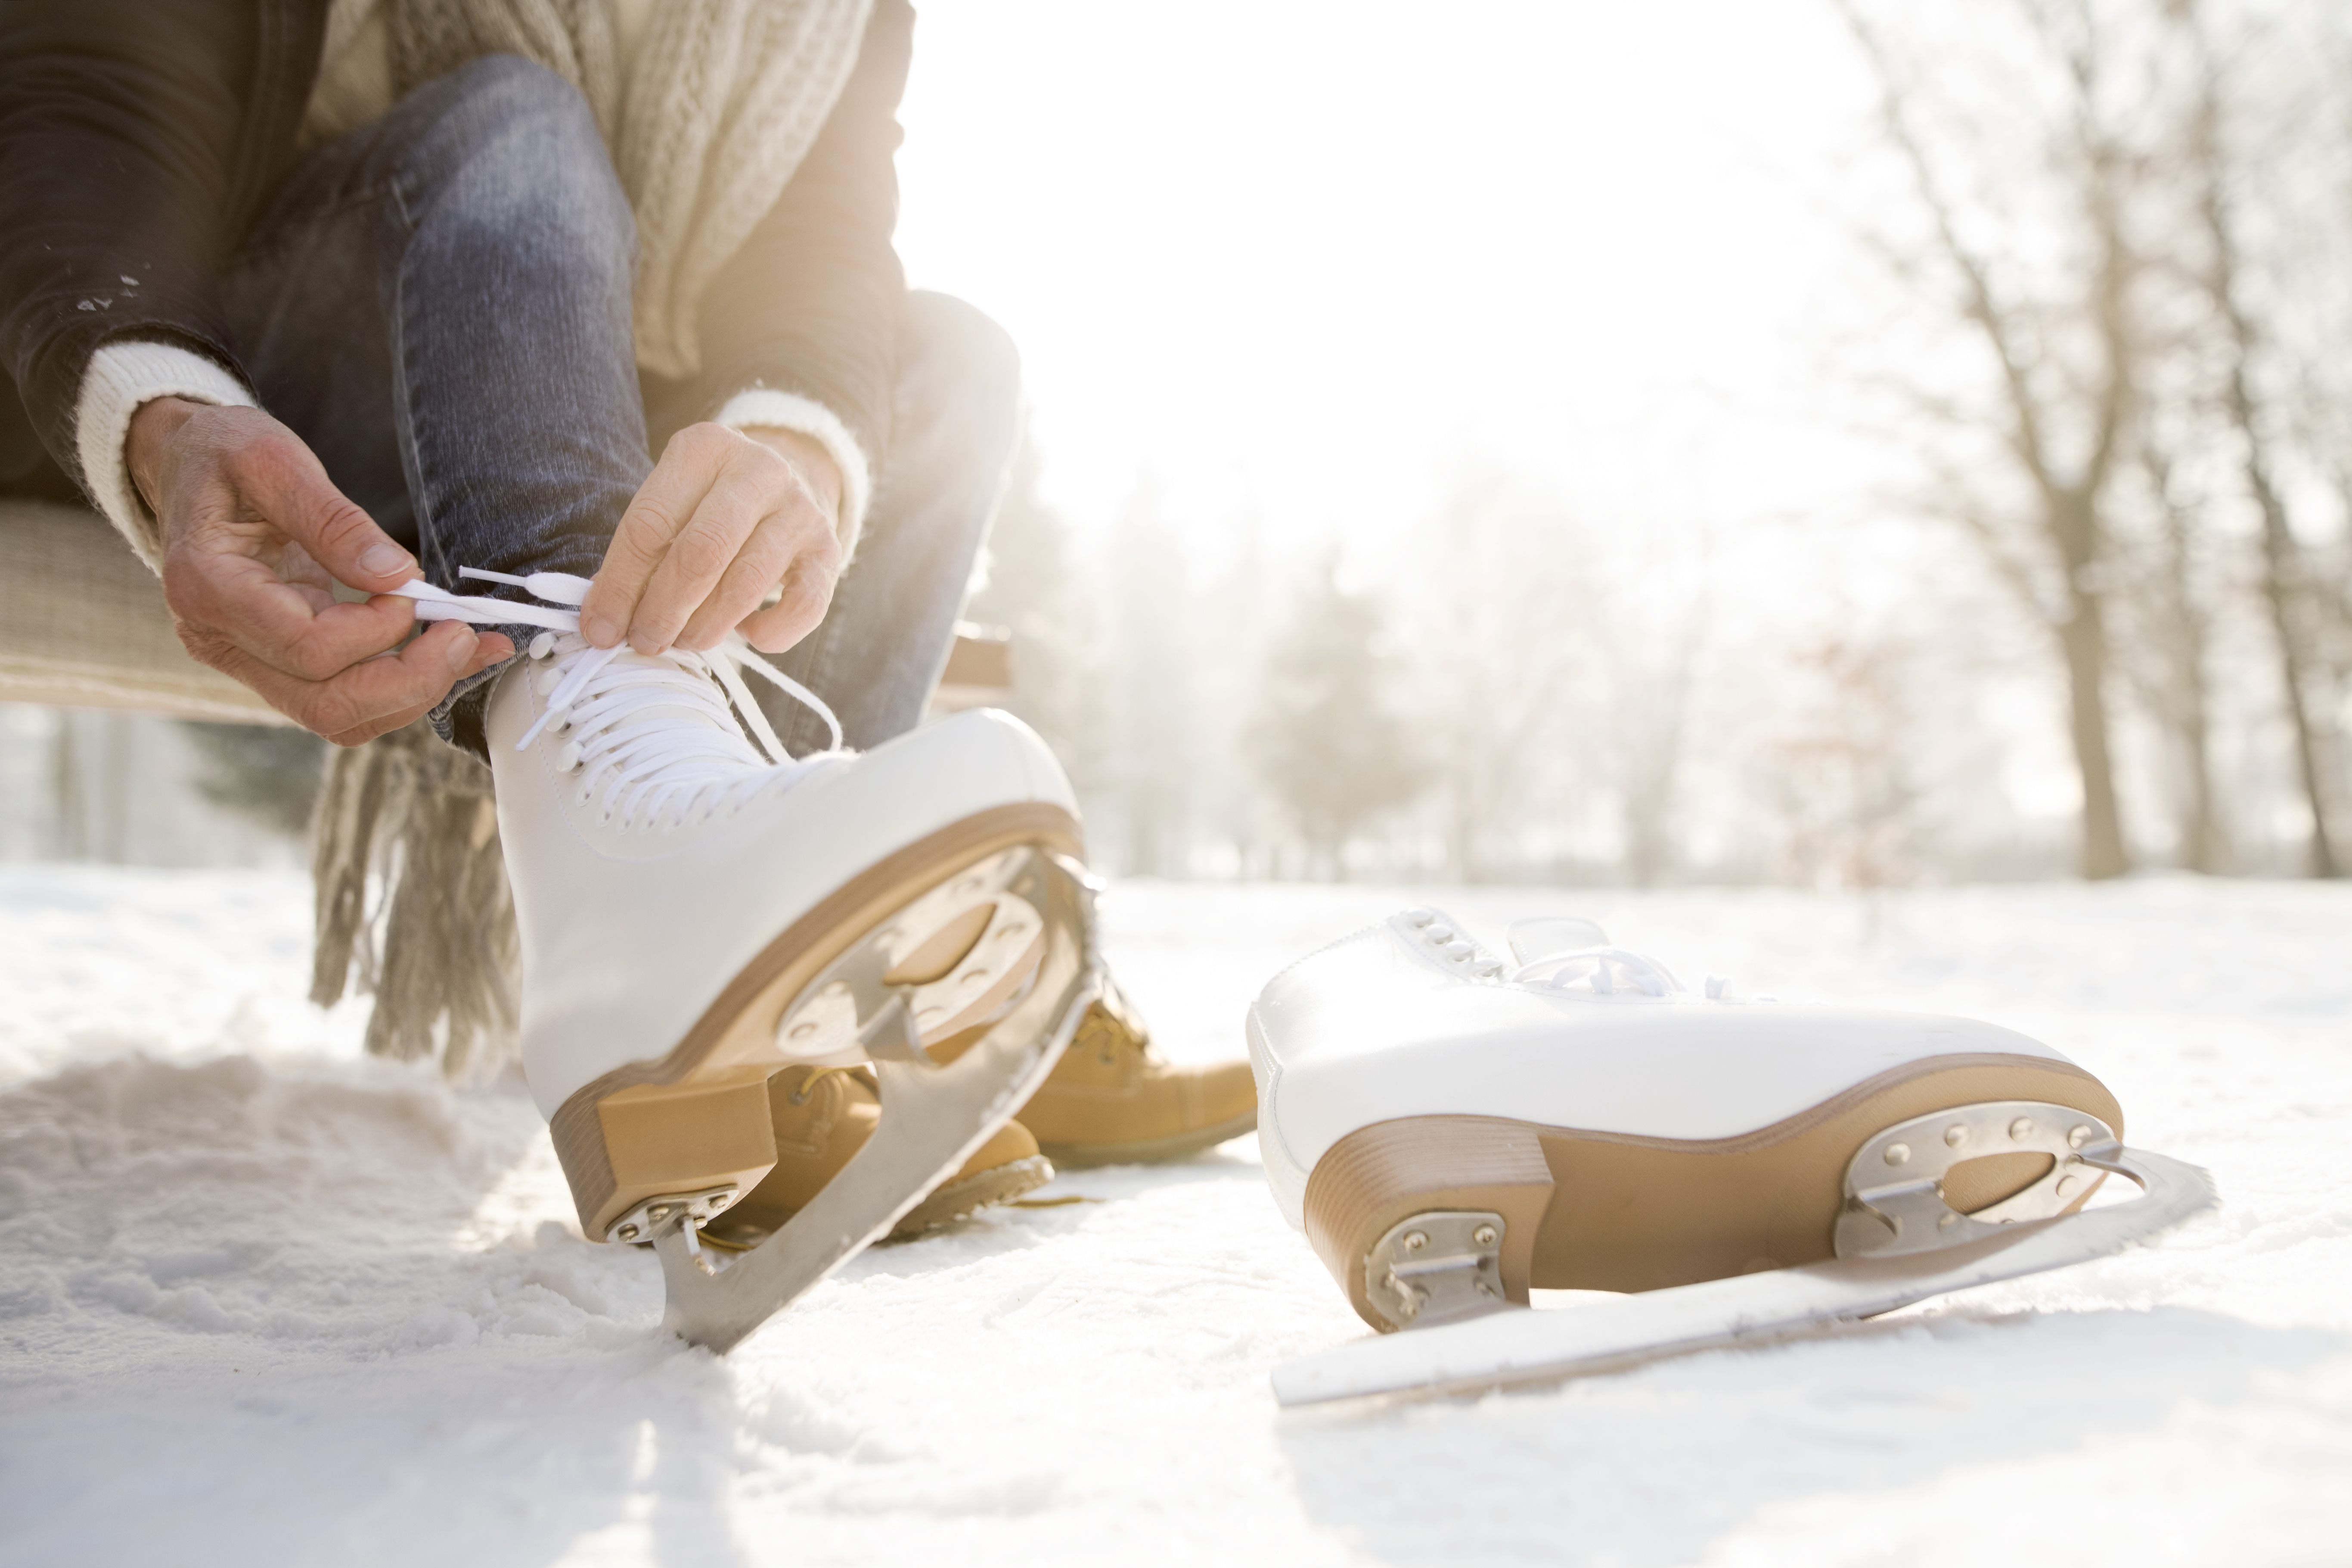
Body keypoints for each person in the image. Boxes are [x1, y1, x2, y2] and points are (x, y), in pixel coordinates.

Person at [0, 0, 1256, 1264]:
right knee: (514, 116)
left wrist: (795, 437)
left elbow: (824, 224)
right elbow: (93, 94)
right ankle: (645, 894)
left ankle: (830, 1003)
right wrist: (153, 404)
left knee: (952, 364)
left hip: (596, 366)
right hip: (278, 356)